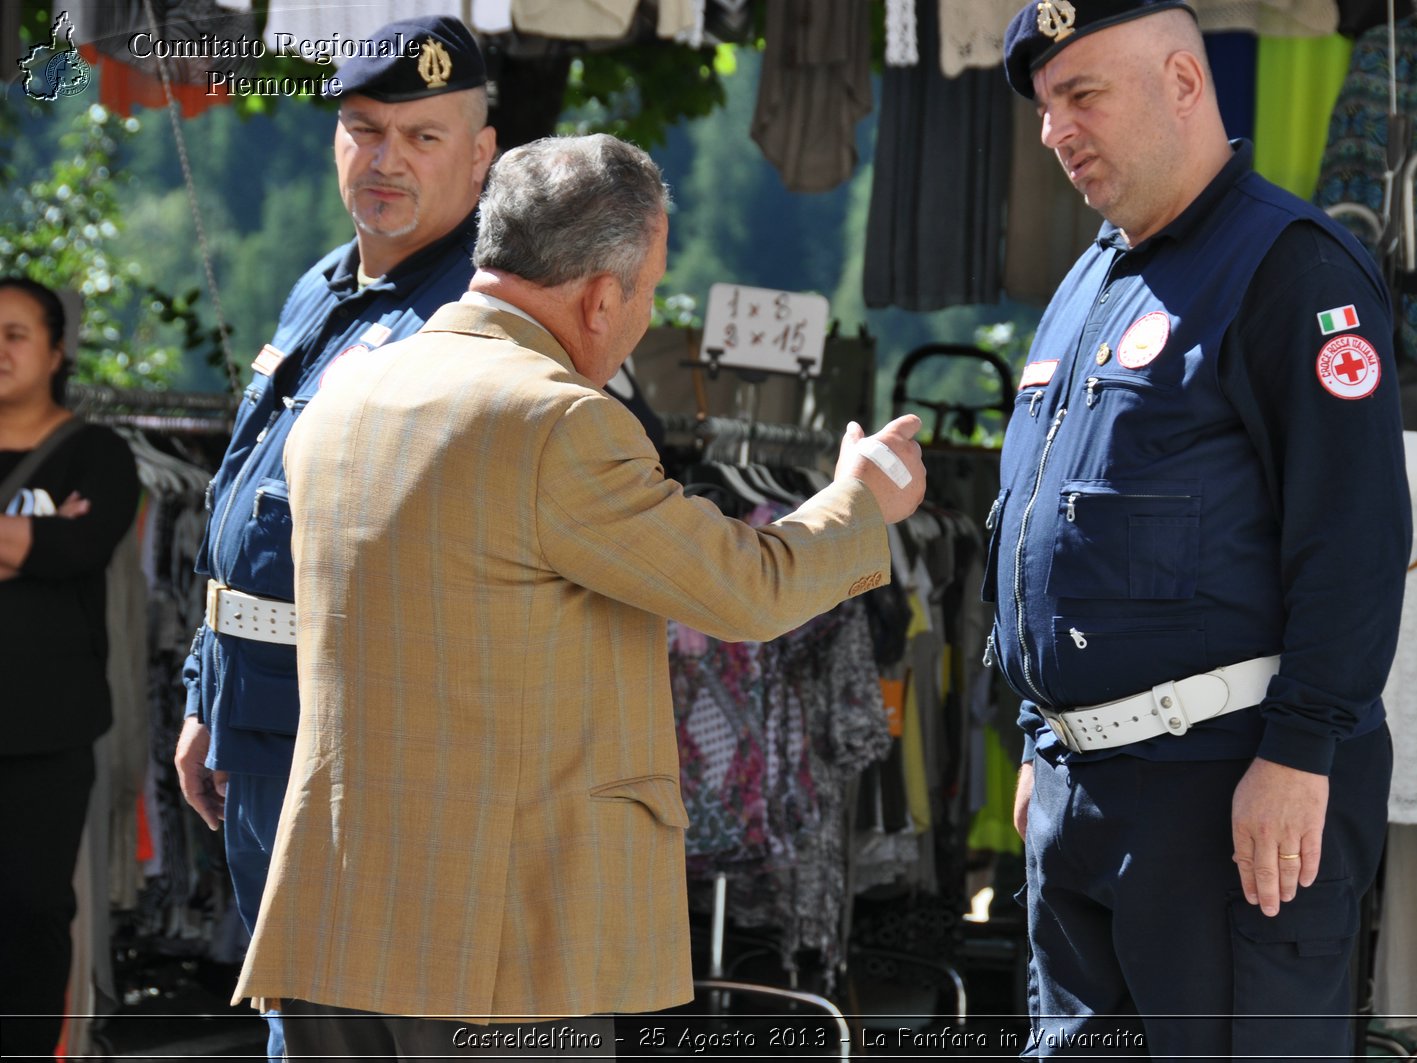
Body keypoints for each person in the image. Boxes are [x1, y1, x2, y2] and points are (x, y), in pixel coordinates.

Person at [231, 133, 925, 1059]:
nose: (638, 315)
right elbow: (749, 589)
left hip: (336, 915)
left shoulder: (346, 394)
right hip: (502, 939)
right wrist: (861, 499)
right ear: (602, 295)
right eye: (645, 292)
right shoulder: (562, 422)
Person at [992, 1, 1409, 1056]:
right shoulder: (1090, 276)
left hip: (1227, 792)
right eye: (1047, 107)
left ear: (1184, 82)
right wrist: (1048, 735)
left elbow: (1352, 538)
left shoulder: (1292, 268)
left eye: (1081, 94)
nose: (1056, 131)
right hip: (1079, 795)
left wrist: (1300, 753)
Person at [170, 15, 494, 1059]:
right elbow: (244, 505)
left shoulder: (487, 314)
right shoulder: (324, 287)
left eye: (423, 136)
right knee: (298, 1023)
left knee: (367, 1030)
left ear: (483, 153)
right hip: (261, 720)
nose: (386, 158)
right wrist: (202, 690)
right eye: (363, 128)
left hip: (380, 750)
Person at [0, 278, 139, 1059]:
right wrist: (28, 543)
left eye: (17, 333)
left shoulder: (98, 453)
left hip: (44, 732)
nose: (0, 349)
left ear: (56, 352)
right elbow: (45, 546)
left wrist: (45, 545)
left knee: (28, 915)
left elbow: (81, 547)